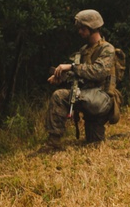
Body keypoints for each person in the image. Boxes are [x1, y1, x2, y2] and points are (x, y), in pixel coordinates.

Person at [44, 9, 118, 147]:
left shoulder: (107, 49)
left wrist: (71, 67)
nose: (80, 32)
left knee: (59, 97)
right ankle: (54, 141)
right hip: (85, 96)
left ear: (91, 28)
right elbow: (78, 75)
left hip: (100, 98)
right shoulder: (83, 50)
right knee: (93, 141)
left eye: (82, 29)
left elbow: (98, 72)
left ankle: (53, 141)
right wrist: (61, 77)